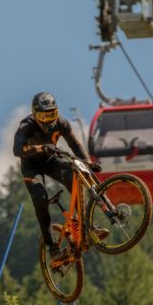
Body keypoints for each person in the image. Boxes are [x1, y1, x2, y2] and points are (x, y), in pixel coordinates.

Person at [13, 92, 104, 257]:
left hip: (50, 161)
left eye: (52, 114)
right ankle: (52, 246)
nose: (48, 120)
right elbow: (17, 150)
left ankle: (86, 226)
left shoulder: (61, 123)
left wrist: (87, 163)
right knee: (41, 199)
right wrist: (42, 147)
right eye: (43, 115)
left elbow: (75, 144)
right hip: (31, 168)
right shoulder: (26, 126)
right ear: (34, 115)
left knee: (74, 176)